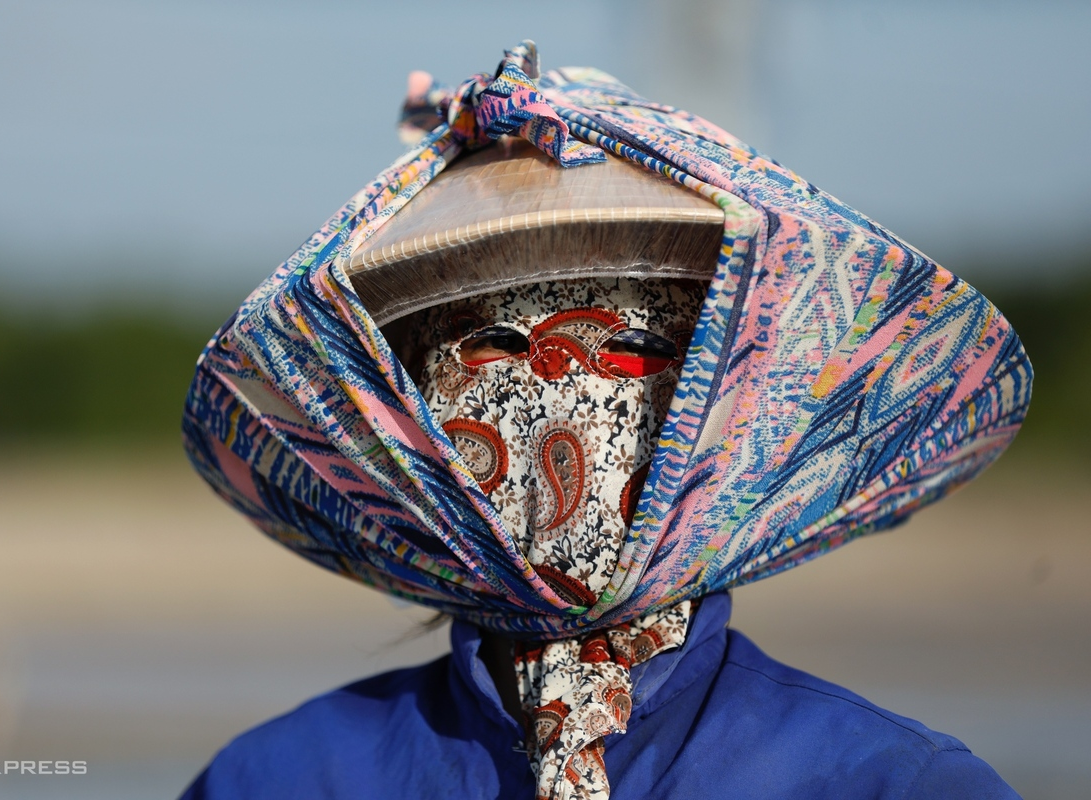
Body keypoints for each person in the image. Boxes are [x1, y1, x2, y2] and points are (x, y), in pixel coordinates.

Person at [179, 42, 1030, 799]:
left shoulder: (886, 782)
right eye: (495, 347)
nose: (563, 394)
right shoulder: (280, 779)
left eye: (630, 351)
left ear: (712, 408)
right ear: (409, 416)